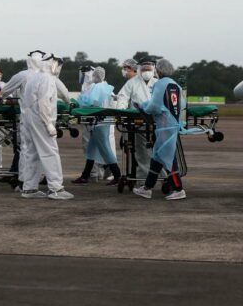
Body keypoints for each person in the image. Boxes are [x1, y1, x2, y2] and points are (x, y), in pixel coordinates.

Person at [19, 54, 73, 200]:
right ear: (53, 64)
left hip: (29, 118)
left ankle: (29, 188)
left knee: (32, 153)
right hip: (41, 120)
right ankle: (56, 188)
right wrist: (49, 124)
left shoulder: (35, 77)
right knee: (50, 152)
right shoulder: (47, 79)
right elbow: (44, 103)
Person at [133, 59, 187, 200]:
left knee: (169, 158)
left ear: (159, 70)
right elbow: (182, 104)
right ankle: (147, 187)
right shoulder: (176, 85)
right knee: (157, 156)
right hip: (172, 124)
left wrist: (143, 107)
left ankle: (178, 189)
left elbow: (155, 106)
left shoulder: (160, 84)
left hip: (164, 125)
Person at [0, 50, 44, 190]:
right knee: (44, 152)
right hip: (45, 120)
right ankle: (43, 182)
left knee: (25, 150)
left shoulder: (22, 75)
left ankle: (23, 183)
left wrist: (13, 99)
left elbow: (4, 91)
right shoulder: (47, 76)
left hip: (27, 119)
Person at [72, 67, 123, 185]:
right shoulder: (108, 89)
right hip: (104, 122)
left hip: (99, 123)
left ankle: (117, 175)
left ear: (96, 76)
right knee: (91, 150)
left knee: (105, 149)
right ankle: (85, 175)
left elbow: (91, 104)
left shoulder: (97, 88)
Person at [115, 58, 156, 182]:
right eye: (144, 69)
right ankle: (144, 179)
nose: (146, 71)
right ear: (139, 69)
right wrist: (121, 111)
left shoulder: (157, 83)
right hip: (138, 122)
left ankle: (159, 175)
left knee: (158, 150)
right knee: (141, 150)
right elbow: (122, 97)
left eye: (149, 69)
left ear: (153, 69)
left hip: (156, 121)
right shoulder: (132, 83)